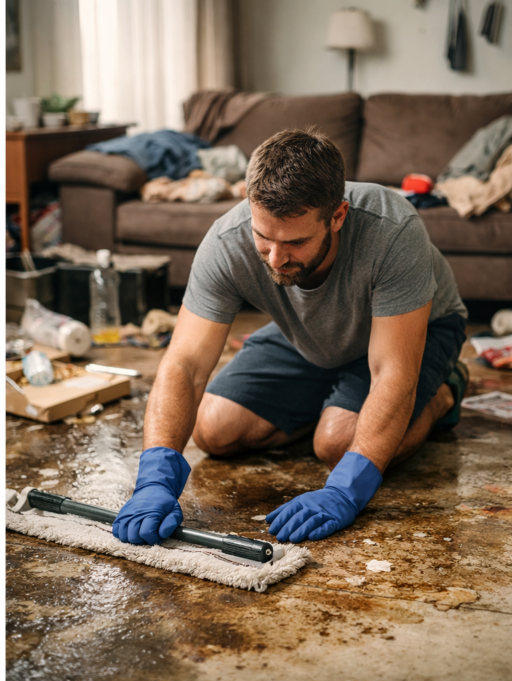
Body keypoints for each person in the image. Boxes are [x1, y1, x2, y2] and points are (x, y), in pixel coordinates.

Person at [112, 128, 468, 547]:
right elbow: (185, 363)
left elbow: (392, 371)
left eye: (295, 242)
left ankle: (444, 392)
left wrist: (345, 489)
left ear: (337, 216)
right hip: (311, 332)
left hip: (409, 330)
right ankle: (335, 400)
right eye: (263, 237)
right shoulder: (226, 241)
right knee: (213, 429)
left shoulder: (393, 228)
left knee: (337, 443)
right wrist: (154, 478)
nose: (276, 258)